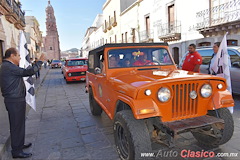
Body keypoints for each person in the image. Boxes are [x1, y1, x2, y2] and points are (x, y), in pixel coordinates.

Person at [0, 48, 44, 158]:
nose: (20, 57)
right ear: (12, 56)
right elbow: (28, 72)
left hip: (15, 100)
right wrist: (40, 61)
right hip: (14, 101)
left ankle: (19, 144)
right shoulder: (8, 67)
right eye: (18, 55)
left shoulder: (7, 66)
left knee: (19, 124)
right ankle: (16, 151)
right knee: (16, 125)